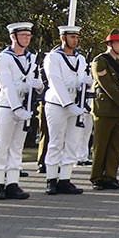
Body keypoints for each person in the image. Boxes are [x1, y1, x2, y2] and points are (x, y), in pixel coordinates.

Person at [0, 23, 42, 200]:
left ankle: (12, 183)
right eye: (23, 35)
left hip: (25, 106)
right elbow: (6, 84)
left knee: (17, 147)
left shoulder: (31, 57)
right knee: (2, 145)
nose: (27, 38)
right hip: (8, 106)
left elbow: (36, 79)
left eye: (29, 35)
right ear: (14, 37)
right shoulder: (3, 58)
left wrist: (39, 85)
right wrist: (16, 107)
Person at [43, 26, 89, 196]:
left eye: (77, 37)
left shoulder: (81, 58)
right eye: (72, 37)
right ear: (63, 38)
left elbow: (80, 78)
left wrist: (86, 82)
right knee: (56, 141)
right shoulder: (53, 58)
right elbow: (55, 81)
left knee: (72, 142)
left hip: (75, 104)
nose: (75, 40)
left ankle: (65, 179)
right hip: (58, 103)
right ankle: (51, 179)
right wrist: (68, 103)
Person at [90, 31, 119, 191]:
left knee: (116, 145)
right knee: (101, 144)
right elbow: (107, 84)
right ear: (110, 45)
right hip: (105, 108)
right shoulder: (100, 61)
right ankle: (97, 177)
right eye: (118, 43)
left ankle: (110, 176)